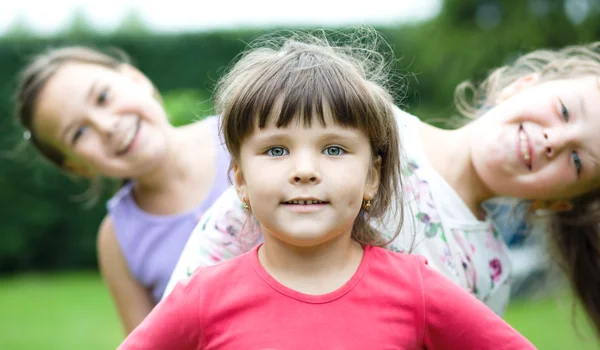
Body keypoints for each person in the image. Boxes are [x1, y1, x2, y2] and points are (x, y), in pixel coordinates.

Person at [119, 29, 535, 349]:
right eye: (276, 149)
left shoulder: (417, 290)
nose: (304, 170)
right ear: (241, 180)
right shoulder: (204, 296)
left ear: (372, 176)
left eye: (334, 149)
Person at [14, 46, 237, 334]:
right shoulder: (118, 239)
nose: (106, 126)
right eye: (79, 133)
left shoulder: (245, 137)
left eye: (103, 97)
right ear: (78, 167)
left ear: (135, 78)